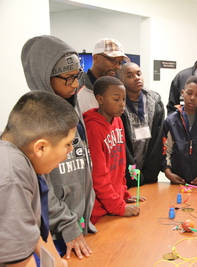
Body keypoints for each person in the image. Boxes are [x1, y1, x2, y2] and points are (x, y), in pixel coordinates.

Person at [21, 35, 96, 260]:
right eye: (68, 78)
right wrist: (68, 225)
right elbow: (42, 188)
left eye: (78, 76)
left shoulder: (70, 106)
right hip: (55, 235)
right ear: (44, 76)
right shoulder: (33, 120)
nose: (75, 84)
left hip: (78, 226)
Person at [0, 90, 78, 267]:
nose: (70, 150)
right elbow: (18, 261)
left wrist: (57, 263)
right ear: (41, 148)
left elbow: (33, 229)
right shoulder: (12, 177)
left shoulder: (25, 158)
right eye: (67, 144)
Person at [83, 76, 145, 224]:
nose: (122, 104)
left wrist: (123, 194)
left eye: (124, 99)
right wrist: (118, 206)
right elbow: (98, 175)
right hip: (101, 211)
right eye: (116, 99)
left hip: (115, 203)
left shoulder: (117, 120)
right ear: (100, 99)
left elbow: (120, 162)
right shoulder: (93, 127)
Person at [119, 62, 165, 187]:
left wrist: (150, 172)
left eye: (139, 74)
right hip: (126, 170)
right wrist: (133, 174)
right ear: (121, 80)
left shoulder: (155, 102)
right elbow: (122, 145)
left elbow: (157, 140)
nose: (137, 78)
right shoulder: (118, 105)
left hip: (148, 167)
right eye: (130, 76)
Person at [78, 38, 130, 113]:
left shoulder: (120, 87)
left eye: (119, 63)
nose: (117, 67)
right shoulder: (78, 87)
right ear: (96, 58)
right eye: (113, 60)